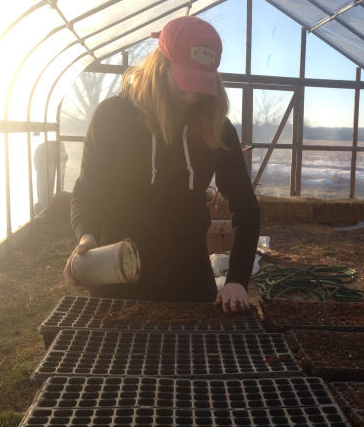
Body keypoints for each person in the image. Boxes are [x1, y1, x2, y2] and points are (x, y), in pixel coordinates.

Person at [63, 16, 260, 313]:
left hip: (190, 277)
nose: (192, 95)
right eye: (184, 82)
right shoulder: (113, 118)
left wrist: (237, 280)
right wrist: (86, 234)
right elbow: (88, 191)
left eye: (201, 84)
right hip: (120, 272)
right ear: (159, 66)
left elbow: (246, 208)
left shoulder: (216, 128)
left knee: (191, 359)